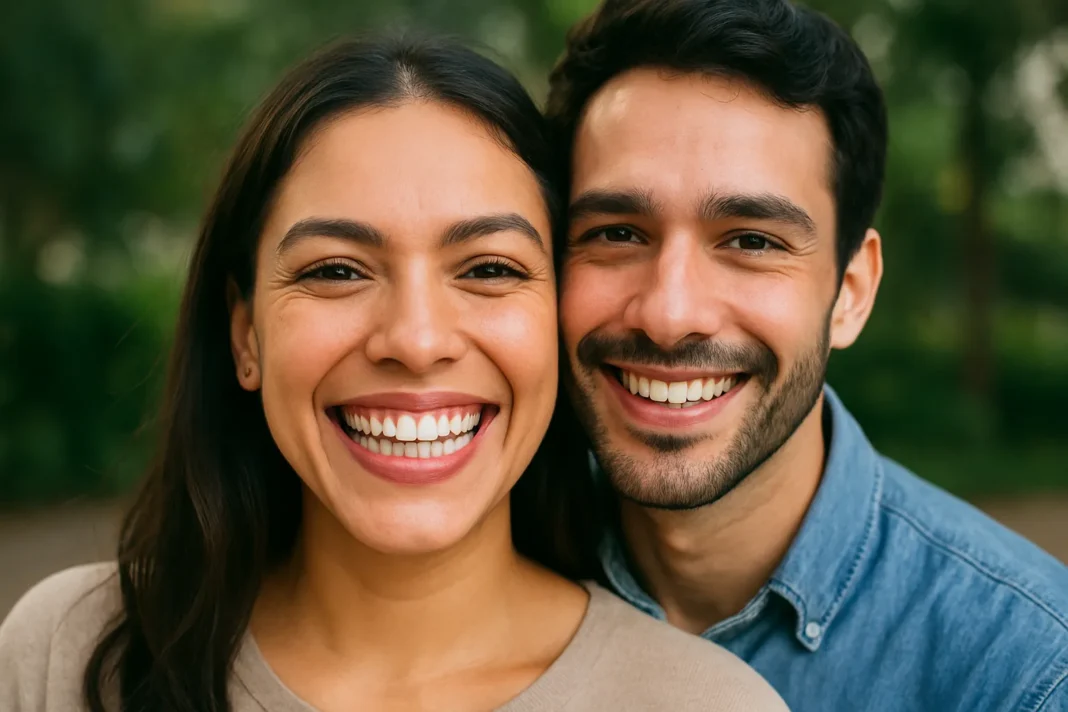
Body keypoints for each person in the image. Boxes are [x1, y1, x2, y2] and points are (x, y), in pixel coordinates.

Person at [0, 36, 787, 712]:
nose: (415, 340)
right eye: (338, 270)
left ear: (556, 323)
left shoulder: (703, 703)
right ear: (246, 335)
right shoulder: (72, 654)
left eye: (486, 267)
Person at [545, 0, 1068, 710]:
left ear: (851, 292)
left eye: (751, 241)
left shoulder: (1029, 671)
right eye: (616, 233)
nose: (669, 316)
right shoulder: (477, 565)